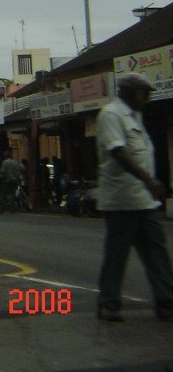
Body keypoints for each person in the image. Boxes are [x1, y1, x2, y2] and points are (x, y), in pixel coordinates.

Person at [95, 73, 173, 323]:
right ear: (129, 92)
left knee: (156, 252)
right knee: (117, 254)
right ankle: (109, 304)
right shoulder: (111, 114)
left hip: (144, 200)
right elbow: (118, 151)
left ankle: (166, 302)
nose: (147, 98)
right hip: (122, 199)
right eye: (143, 93)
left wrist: (149, 184)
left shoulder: (135, 117)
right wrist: (148, 180)